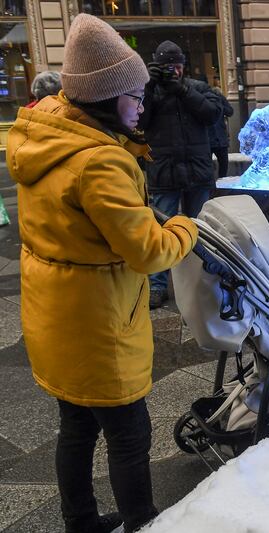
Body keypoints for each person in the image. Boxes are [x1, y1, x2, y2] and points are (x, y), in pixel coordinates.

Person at [6, 14, 198, 533]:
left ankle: (81, 522)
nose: (142, 106)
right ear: (109, 96)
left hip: (54, 312)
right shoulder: (98, 162)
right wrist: (185, 225)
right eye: (135, 97)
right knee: (129, 434)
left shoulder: (48, 134)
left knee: (76, 427)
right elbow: (150, 252)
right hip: (97, 322)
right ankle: (142, 523)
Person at [138, 40, 222, 308]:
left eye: (176, 66)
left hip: (196, 171)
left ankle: (203, 278)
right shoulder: (149, 92)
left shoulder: (196, 88)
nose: (172, 72)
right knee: (160, 231)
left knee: (201, 228)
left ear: (183, 67)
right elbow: (139, 121)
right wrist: (149, 86)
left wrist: (182, 89)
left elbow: (212, 114)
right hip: (164, 173)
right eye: (167, 67)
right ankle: (157, 285)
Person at [208, 84, 234, 179]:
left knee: (223, 163)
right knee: (209, 164)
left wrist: (221, 106)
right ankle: (212, 182)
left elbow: (230, 111)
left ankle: (221, 180)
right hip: (210, 138)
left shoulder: (220, 98)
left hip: (220, 138)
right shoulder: (203, 100)